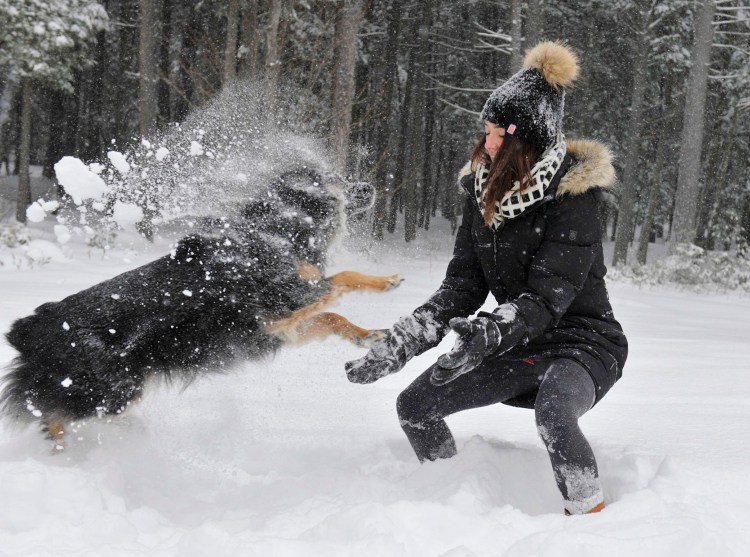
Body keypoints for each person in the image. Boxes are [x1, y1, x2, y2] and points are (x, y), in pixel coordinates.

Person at [345, 41, 628, 516]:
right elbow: (462, 288)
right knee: (415, 407)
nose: (489, 142)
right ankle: (452, 501)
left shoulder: (573, 201)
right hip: (515, 345)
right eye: (488, 130)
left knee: (555, 416)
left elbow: (546, 297)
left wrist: (493, 329)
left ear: (530, 142)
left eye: (501, 134)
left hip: (582, 343)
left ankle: (589, 521)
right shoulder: (480, 194)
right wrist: (405, 339)